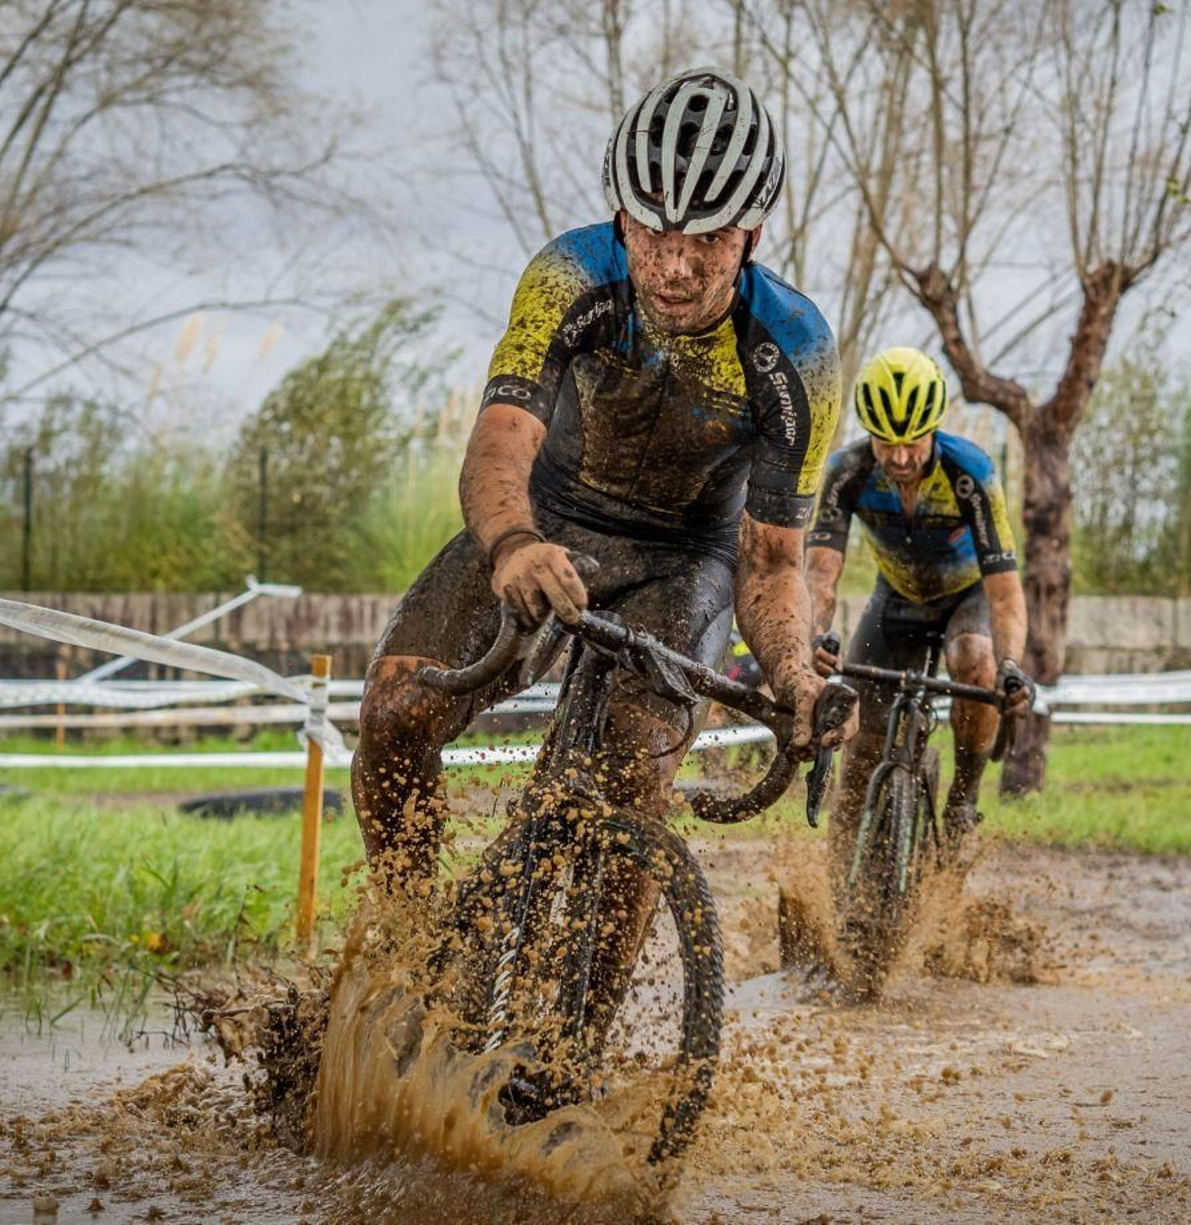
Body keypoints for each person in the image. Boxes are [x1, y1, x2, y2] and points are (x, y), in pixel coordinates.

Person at [352, 67, 855, 965]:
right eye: (654, 230)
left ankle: (582, 1024)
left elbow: (773, 562)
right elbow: (499, 442)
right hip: (547, 524)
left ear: (753, 233)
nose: (676, 264)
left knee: (634, 765)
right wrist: (512, 543)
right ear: (620, 217)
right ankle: (405, 949)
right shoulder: (570, 275)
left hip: (684, 562)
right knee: (395, 710)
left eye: (710, 237)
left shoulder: (797, 351)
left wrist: (793, 674)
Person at [805, 346, 1034, 875]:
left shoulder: (970, 472)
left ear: (934, 428)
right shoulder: (848, 471)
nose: (902, 457)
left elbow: (1004, 594)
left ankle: (963, 799)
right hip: (897, 598)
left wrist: (1010, 665)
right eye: (887, 442)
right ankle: (839, 880)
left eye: (913, 441)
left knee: (976, 659)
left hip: (966, 598)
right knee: (859, 748)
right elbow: (819, 574)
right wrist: (814, 634)